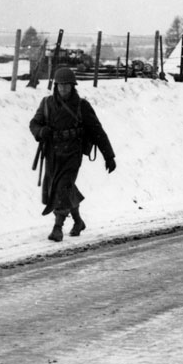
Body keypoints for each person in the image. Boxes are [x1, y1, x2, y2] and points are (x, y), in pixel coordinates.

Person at [29, 67, 116, 242]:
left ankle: (57, 227)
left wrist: (109, 156)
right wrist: (41, 131)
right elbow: (34, 123)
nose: (63, 88)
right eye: (60, 85)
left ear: (73, 86)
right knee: (61, 187)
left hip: (72, 154)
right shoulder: (46, 104)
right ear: (56, 86)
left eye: (67, 85)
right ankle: (78, 221)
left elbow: (97, 131)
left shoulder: (82, 106)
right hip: (52, 154)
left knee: (62, 187)